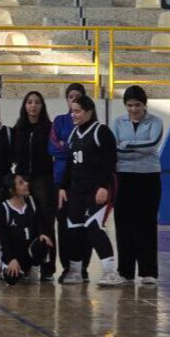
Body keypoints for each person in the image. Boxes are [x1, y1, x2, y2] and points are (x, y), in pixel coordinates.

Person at [57, 95, 121, 286]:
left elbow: (110, 161)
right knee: (74, 229)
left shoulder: (101, 131)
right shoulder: (73, 134)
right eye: (72, 111)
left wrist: (104, 186)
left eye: (77, 111)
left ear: (89, 112)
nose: (73, 115)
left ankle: (110, 272)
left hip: (97, 190)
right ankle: (76, 271)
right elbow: (70, 164)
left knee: (94, 226)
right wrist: (63, 186)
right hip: (77, 190)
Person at [111, 85, 163, 285]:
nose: (134, 109)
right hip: (123, 176)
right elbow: (113, 148)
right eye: (130, 105)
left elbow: (152, 145)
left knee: (146, 223)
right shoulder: (117, 122)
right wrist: (131, 149)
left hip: (149, 176)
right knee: (123, 224)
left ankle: (148, 271)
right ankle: (125, 272)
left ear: (144, 105)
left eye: (138, 105)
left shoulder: (156, 122)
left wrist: (126, 145)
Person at [11, 91, 56, 280]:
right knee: (24, 220)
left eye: (37, 102)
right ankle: (25, 264)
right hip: (23, 176)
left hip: (44, 178)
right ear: (25, 105)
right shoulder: (18, 129)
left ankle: (48, 267)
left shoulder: (49, 128)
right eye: (29, 102)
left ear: (42, 106)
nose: (33, 105)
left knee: (45, 219)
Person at [50, 82, 90, 281]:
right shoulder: (59, 121)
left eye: (77, 96)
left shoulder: (91, 126)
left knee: (84, 224)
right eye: (70, 96)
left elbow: (89, 151)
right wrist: (74, 149)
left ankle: (83, 267)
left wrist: (69, 146)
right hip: (61, 181)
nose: (73, 99)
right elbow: (53, 148)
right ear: (66, 99)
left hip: (83, 181)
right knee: (64, 225)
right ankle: (67, 266)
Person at [0, 173, 54, 285]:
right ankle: (16, 269)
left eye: (25, 181)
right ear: (12, 190)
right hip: (14, 253)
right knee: (11, 278)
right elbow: (4, 239)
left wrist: (42, 233)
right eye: (21, 183)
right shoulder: (4, 208)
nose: (26, 184)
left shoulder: (33, 202)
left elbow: (40, 222)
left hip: (29, 251)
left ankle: (33, 268)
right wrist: (11, 259)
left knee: (42, 242)